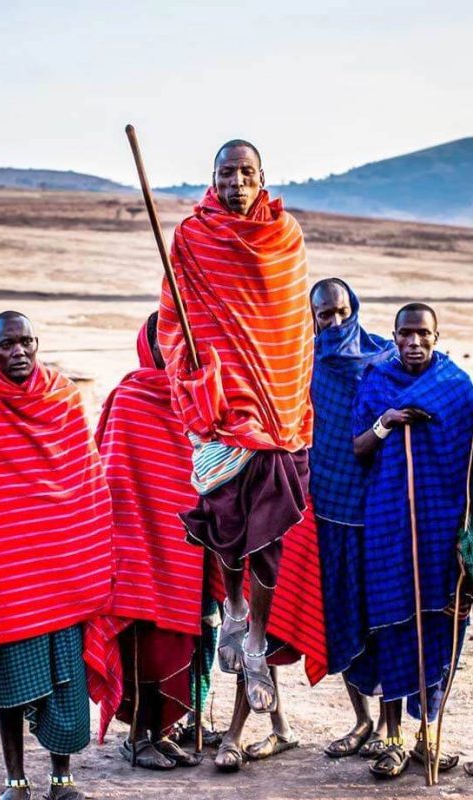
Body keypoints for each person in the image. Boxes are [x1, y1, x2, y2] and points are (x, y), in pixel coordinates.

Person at [158, 139, 313, 721]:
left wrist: (288, 396)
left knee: (268, 535)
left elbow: (293, 328)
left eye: (247, 173)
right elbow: (174, 322)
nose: (237, 183)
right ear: (214, 177)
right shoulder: (191, 237)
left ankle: (256, 638)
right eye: (228, 173)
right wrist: (190, 374)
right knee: (226, 528)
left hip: (275, 406)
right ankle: (234, 608)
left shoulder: (285, 236)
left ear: (262, 177)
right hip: (220, 407)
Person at [0, 311, 113, 800]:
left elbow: (87, 483)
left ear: (36, 343)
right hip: (6, 573)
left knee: (67, 678)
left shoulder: (63, 397)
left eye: (25, 342)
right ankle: (15, 780)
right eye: (6, 345)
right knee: (9, 679)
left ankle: (62, 780)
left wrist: (85, 551)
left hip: (63, 569)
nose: (17, 351)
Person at [348, 303, 473, 779]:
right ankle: (394, 738)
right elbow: (358, 447)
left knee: (439, 626)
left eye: (423, 334)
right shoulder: (377, 382)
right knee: (391, 624)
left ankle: (428, 735)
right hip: (389, 522)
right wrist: (387, 422)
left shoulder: (457, 388)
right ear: (395, 336)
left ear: (436, 337)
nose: (414, 342)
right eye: (405, 334)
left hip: (441, 525)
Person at [85, 312, 215, 770]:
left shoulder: (200, 397)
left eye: (178, 338)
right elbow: (112, 474)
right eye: (162, 340)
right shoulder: (130, 396)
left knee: (178, 645)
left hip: (185, 543)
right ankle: (138, 738)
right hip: (138, 542)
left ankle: (161, 733)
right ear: (147, 345)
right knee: (143, 644)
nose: (170, 348)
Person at [310, 278, 395, 760]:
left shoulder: (382, 358)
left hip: (379, 510)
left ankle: (388, 726)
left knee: (382, 616)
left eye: (342, 311)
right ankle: (361, 719)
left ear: (355, 308)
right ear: (313, 318)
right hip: (327, 509)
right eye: (326, 314)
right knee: (341, 615)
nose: (336, 321)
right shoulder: (303, 363)